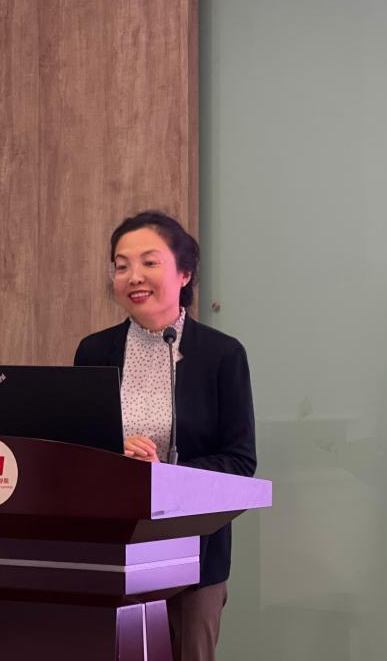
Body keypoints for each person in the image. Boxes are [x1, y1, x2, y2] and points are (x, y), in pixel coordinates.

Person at [73, 210, 256, 661]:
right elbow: (75, 449)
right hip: (112, 550)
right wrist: (113, 453)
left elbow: (239, 461)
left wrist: (166, 474)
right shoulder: (94, 351)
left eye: (149, 262)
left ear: (184, 273)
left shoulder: (221, 355)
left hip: (194, 554)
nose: (133, 276)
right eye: (121, 266)